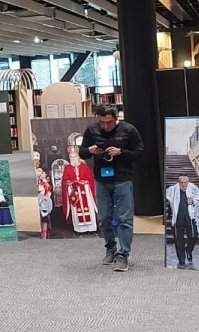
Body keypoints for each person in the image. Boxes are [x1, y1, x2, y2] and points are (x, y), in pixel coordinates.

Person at [79, 104, 144, 272]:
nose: (106, 126)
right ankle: (110, 248)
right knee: (104, 217)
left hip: (122, 179)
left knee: (125, 218)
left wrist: (121, 152)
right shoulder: (92, 130)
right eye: (102, 122)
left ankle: (123, 255)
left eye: (109, 122)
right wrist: (90, 150)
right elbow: (82, 153)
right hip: (102, 180)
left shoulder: (129, 130)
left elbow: (139, 152)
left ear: (116, 118)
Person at [166, 175, 199, 268]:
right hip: (178, 218)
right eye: (181, 183)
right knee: (178, 240)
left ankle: (189, 250)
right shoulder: (173, 189)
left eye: (185, 183)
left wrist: (193, 201)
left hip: (190, 217)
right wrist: (170, 216)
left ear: (188, 182)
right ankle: (181, 259)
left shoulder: (193, 188)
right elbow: (170, 203)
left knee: (193, 236)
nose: (183, 184)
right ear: (178, 182)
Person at [61, 154, 99, 234]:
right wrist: (69, 183)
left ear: (78, 157)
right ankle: (79, 230)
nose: (73, 158)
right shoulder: (67, 168)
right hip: (74, 192)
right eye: (71, 157)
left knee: (88, 208)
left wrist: (85, 182)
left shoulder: (84, 167)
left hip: (85, 191)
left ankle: (90, 229)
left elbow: (91, 179)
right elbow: (64, 181)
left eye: (75, 157)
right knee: (76, 210)